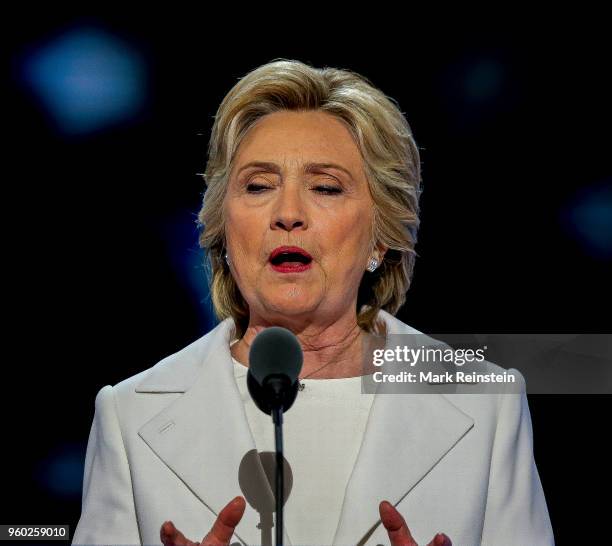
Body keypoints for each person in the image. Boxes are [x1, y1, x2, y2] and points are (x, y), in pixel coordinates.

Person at [72, 59, 554, 546]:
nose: (287, 214)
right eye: (258, 186)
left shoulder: (487, 402)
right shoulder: (129, 414)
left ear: (381, 236)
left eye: (325, 187)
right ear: (221, 228)